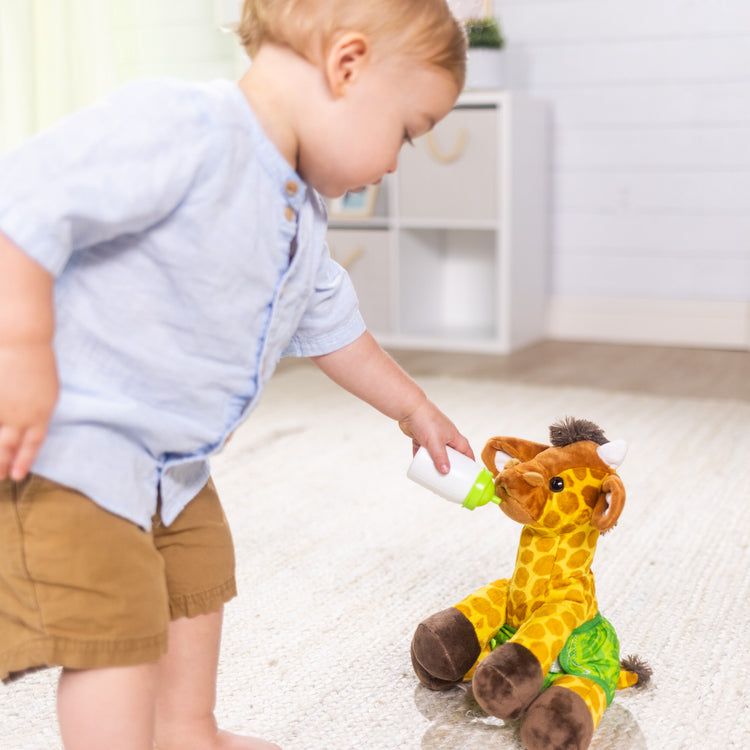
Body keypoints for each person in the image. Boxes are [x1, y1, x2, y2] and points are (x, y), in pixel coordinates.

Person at [0, 1, 470, 748]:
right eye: (406, 133)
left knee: (198, 576)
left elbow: (335, 329)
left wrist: (410, 407)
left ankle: (189, 730)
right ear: (347, 66)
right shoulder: (186, 128)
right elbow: (22, 205)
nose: (392, 162)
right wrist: (18, 349)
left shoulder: (304, 213)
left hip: (173, 462)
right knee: (114, 621)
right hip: (75, 447)